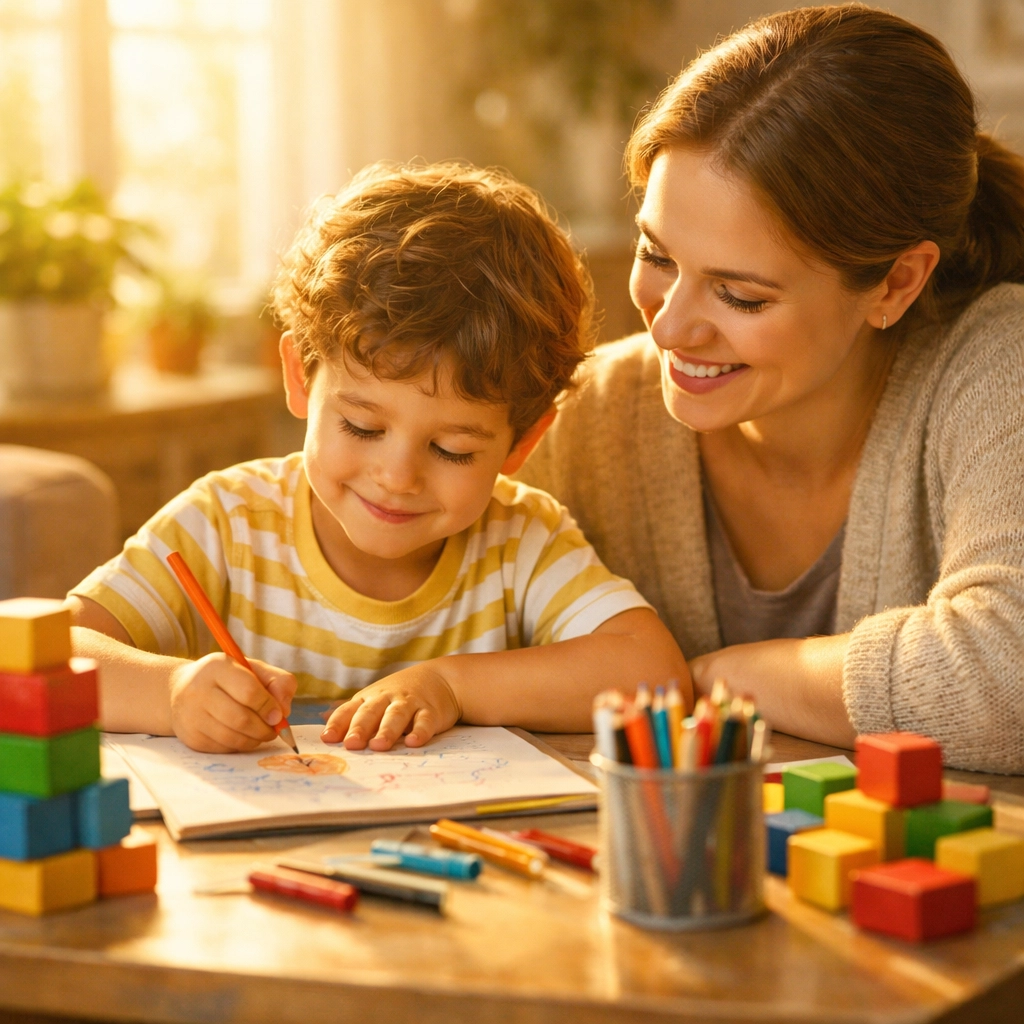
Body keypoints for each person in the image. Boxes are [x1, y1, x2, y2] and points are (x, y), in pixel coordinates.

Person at [516, 5, 1024, 773]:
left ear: (896, 282)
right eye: (657, 255)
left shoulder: (994, 366)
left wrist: (717, 679)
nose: (669, 327)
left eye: (740, 296)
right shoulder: (592, 418)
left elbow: (1007, 679)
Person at [68, 162, 690, 754]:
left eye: (451, 449)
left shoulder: (520, 542)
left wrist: (451, 685)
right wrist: (170, 693)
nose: (397, 477)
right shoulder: (224, 522)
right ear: (301, 377)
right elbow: (49, 653)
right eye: (362, 427)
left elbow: (654, 677)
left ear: (522, 442)